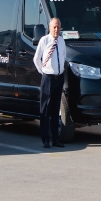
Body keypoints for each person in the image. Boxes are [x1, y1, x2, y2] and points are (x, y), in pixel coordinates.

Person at [33, 18, 67, 148]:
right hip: (48, 78)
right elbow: (36, 58)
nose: (56, 30)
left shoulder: (62, 41)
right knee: (45, 110)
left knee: (55, 109)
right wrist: (43, 72)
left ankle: (55, 139)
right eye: (54, 27)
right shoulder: (44, 40)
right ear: (50, 28)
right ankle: (45, 139)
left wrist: (61, 70)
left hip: (59, 78)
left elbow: (63, 56)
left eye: (58, 27)